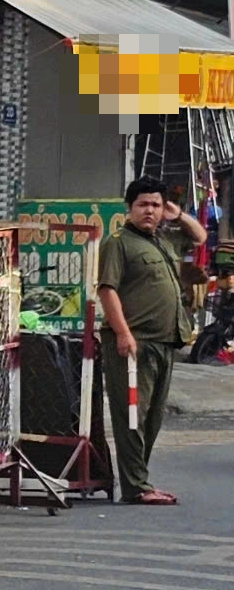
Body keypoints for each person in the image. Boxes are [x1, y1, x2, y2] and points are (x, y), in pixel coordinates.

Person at [97, 177, 207, 505]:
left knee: (153, 418)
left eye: (156, 205)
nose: (150, 211)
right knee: (133, 415)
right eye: (143, 204)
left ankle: (140, 480)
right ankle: (136, 487)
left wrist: (178, 214)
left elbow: (200, 237)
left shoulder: (163, 240)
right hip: (134, 343)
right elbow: (107, 290)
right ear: (129, 208)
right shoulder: (119, 243)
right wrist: (123, 333)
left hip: (165, 341)